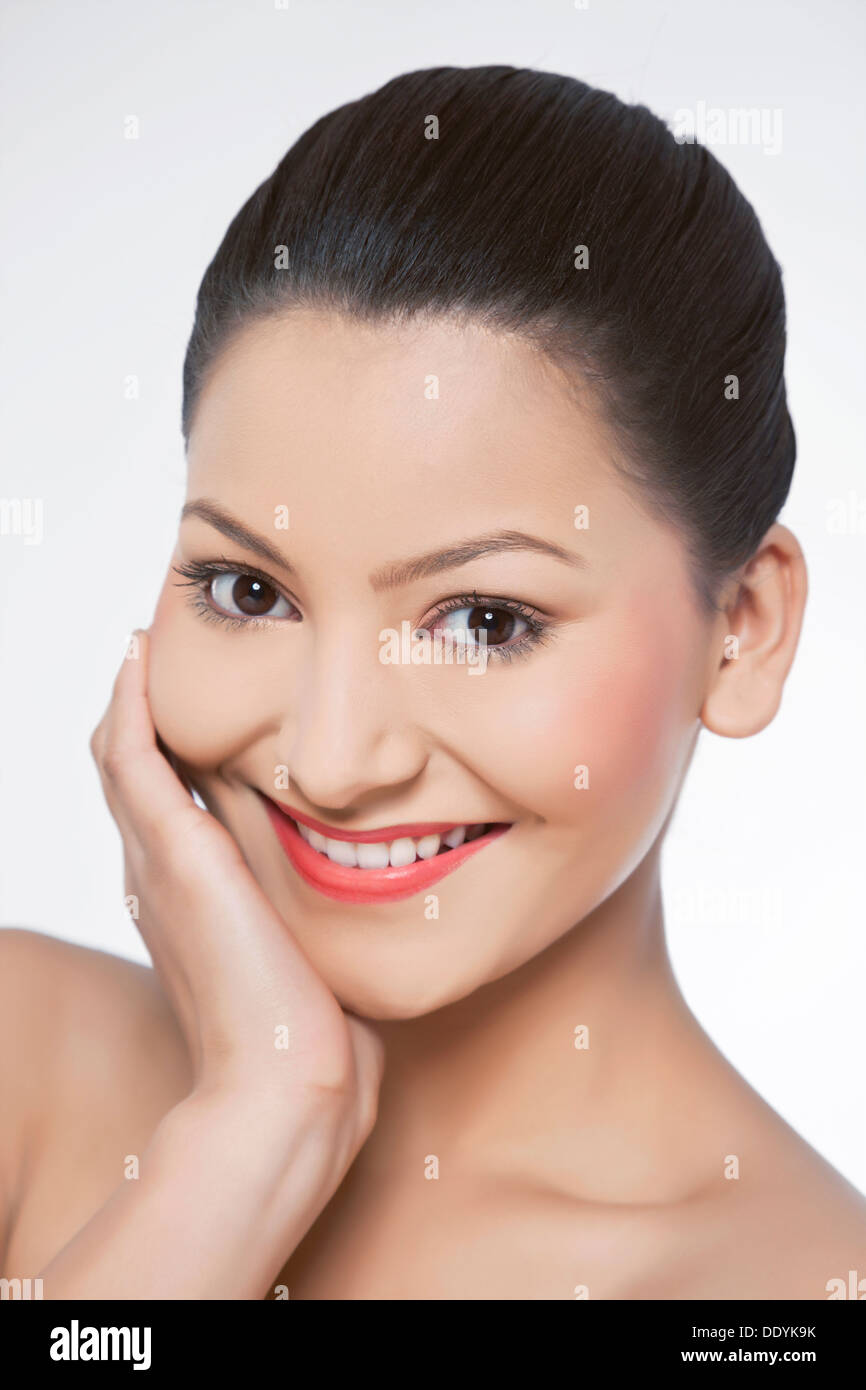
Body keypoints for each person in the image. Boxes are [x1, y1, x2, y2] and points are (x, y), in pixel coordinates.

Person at [2, 65, 864, 1300]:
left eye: (483, 618)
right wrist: (247, 1132)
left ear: (740, 627)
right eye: (251, 591)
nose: (334, 756)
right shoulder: (21, 1052)